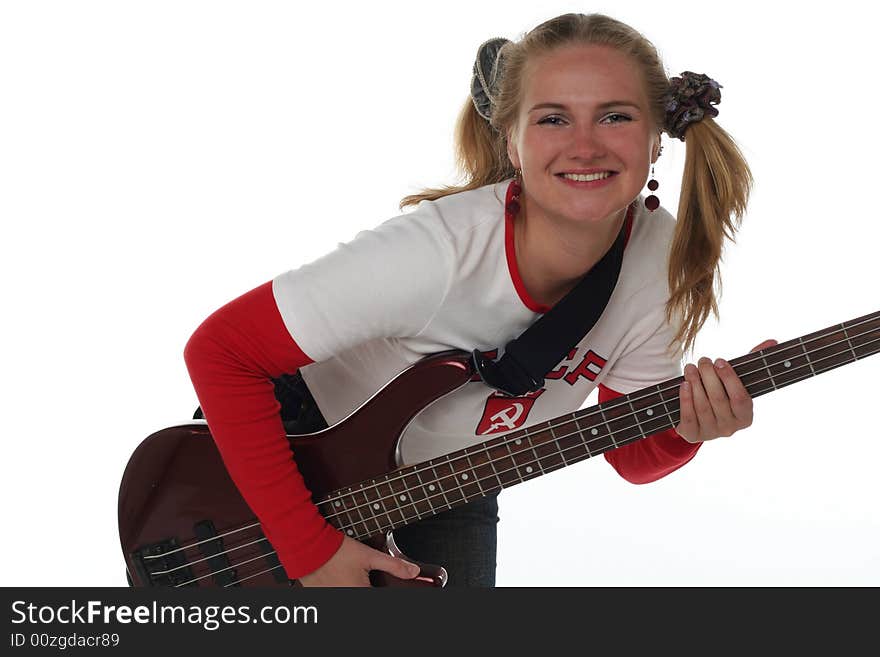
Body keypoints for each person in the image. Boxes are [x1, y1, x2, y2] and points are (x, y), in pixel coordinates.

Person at [183, 12, 776, 587]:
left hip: (452, 478)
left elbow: (630, 456)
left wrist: (689, 429)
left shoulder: (662, 266)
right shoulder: (438, 252)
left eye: (615, 116)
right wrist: (308, 549)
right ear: (512, 143)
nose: (586, 146)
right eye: (553, 120)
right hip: (300, 459)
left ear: (656, 140)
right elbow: (221, 352)